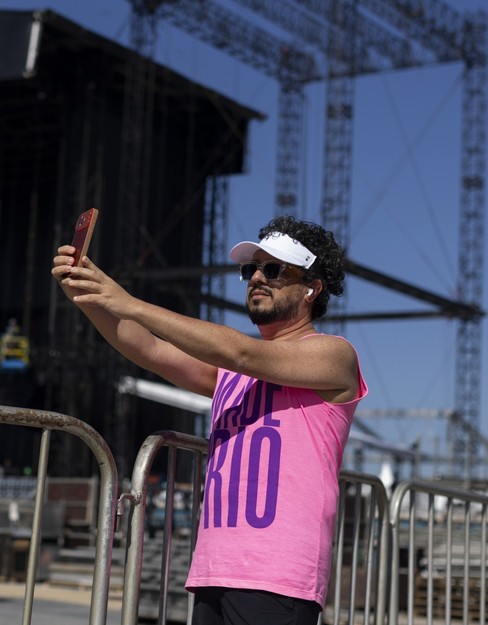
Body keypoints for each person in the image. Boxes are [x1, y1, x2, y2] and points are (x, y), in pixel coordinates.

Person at [52, 215, 368, 625]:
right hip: (214, 570)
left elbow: (242, 352)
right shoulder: (232, 373)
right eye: (250, 269)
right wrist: (87, 296)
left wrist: (126, 301)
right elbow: (148, 347)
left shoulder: (333, 355)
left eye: (273, 269)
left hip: (278, 578)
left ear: (312, 288)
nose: (256, 277)